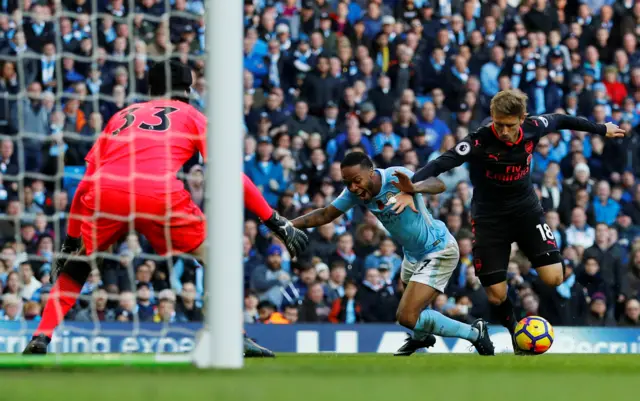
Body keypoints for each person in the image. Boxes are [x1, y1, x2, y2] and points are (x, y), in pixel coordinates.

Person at [23, 60, 309, 358]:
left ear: (151, 89)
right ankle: (232, 335)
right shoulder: (192, 115)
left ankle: (41, 335)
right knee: (219, 258)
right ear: (187, 90)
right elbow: (228, 173)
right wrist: (275, 221)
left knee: (78, 267)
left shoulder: (122, 115)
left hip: (105, 193)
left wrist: (71, 242)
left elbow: (84, 185)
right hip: (157, 193)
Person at [394, 89, 625, 354]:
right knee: (496, 295)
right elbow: (443, 162)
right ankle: (516, 335)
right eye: (499, 124)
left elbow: (562, 119)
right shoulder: (479, 140)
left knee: (554, 277)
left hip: (526, 211)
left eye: (509, 125)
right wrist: (411, 184)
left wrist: (600, 128)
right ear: (492, 116)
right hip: (489, 219)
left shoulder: (534, 126)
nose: (503, 130)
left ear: (522, 118)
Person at [290, 151, 494, 356]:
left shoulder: (396, 176)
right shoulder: (355, 193)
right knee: (414, 314)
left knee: (406, 316)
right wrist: (288, 225)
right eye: (347, 182)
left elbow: (438, 184)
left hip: (438, 248)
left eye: (356, 180)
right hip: (412, 254)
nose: (352, 187)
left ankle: (475, 333)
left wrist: (413, 188)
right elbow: (326, 214)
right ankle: (422, 337)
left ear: (370, 173)